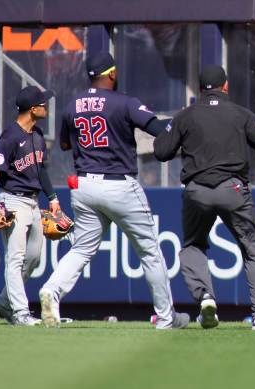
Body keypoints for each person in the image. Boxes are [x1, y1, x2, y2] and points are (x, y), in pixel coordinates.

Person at [153, 65, 255, 331]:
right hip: (233, 190)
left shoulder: (185, 115)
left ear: (201, 88)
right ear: (225, 86)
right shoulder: (241, 114)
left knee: (193, 246)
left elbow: (161, 150)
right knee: (252, 250)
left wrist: (177, 130)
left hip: (196, 190)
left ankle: (205, 296)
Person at [38, 52, 189, 329]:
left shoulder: (73, 105)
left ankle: (52, 290)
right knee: (150, 252)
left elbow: (64, 145)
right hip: (119, 184)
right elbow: (158, 128)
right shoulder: (125, 102)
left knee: (82, 249)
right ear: (111, 74)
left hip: (84, 185)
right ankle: (167, 318)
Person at [0, 85, 62, 326]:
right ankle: (20, 313)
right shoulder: (9, 137)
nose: (46, 107)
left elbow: (40, 169)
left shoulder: (38, 135)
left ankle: (4, 302)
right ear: (33, 109)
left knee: (33, 257)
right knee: (15, 258)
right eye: (43, 104)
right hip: (12, 200)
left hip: (33, 202)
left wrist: (52, 197)